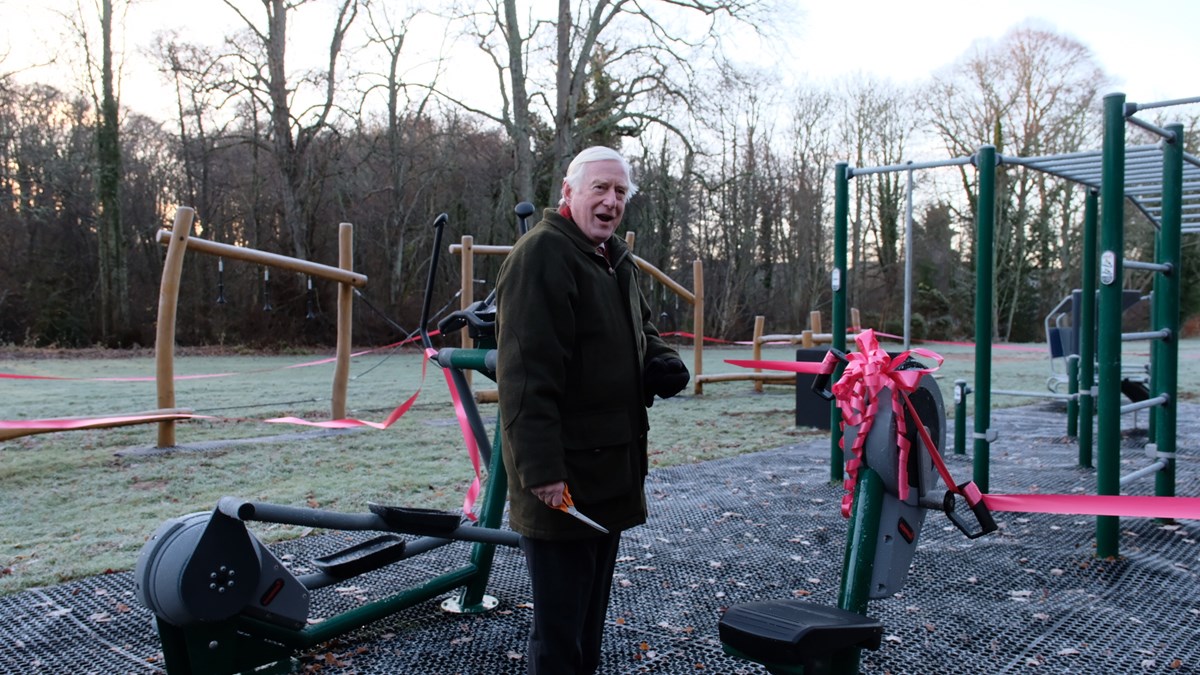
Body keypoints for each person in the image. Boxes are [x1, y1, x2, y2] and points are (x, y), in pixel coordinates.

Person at [495, 146, 691, 674]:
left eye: (620, 192)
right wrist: (543, 471)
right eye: (599, 188)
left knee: (587, 625)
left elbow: (641, 331)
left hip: (610, 470)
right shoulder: (543, 256)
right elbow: (526, 374)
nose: (610, 201)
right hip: (565, 481)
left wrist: (662, 363)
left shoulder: (614, 258)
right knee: (560, 636)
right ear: (568, 192)